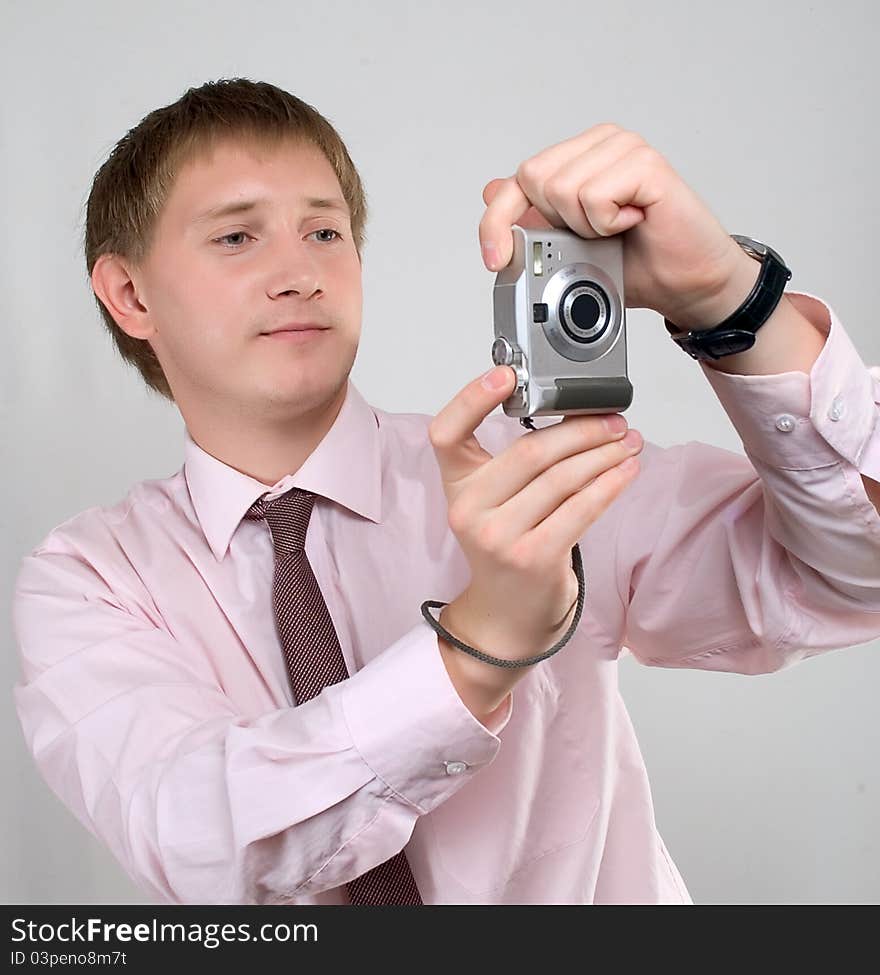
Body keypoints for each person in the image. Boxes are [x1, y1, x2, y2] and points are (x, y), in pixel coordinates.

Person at [12, 77, 880, 906]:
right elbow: (201, 838)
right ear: (129, 294)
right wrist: (480, 645)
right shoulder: (90, 579)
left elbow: (851, 574)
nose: (300, 273)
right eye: (238, 237)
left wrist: (733, 297)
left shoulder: (536, 472)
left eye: (325, 233)